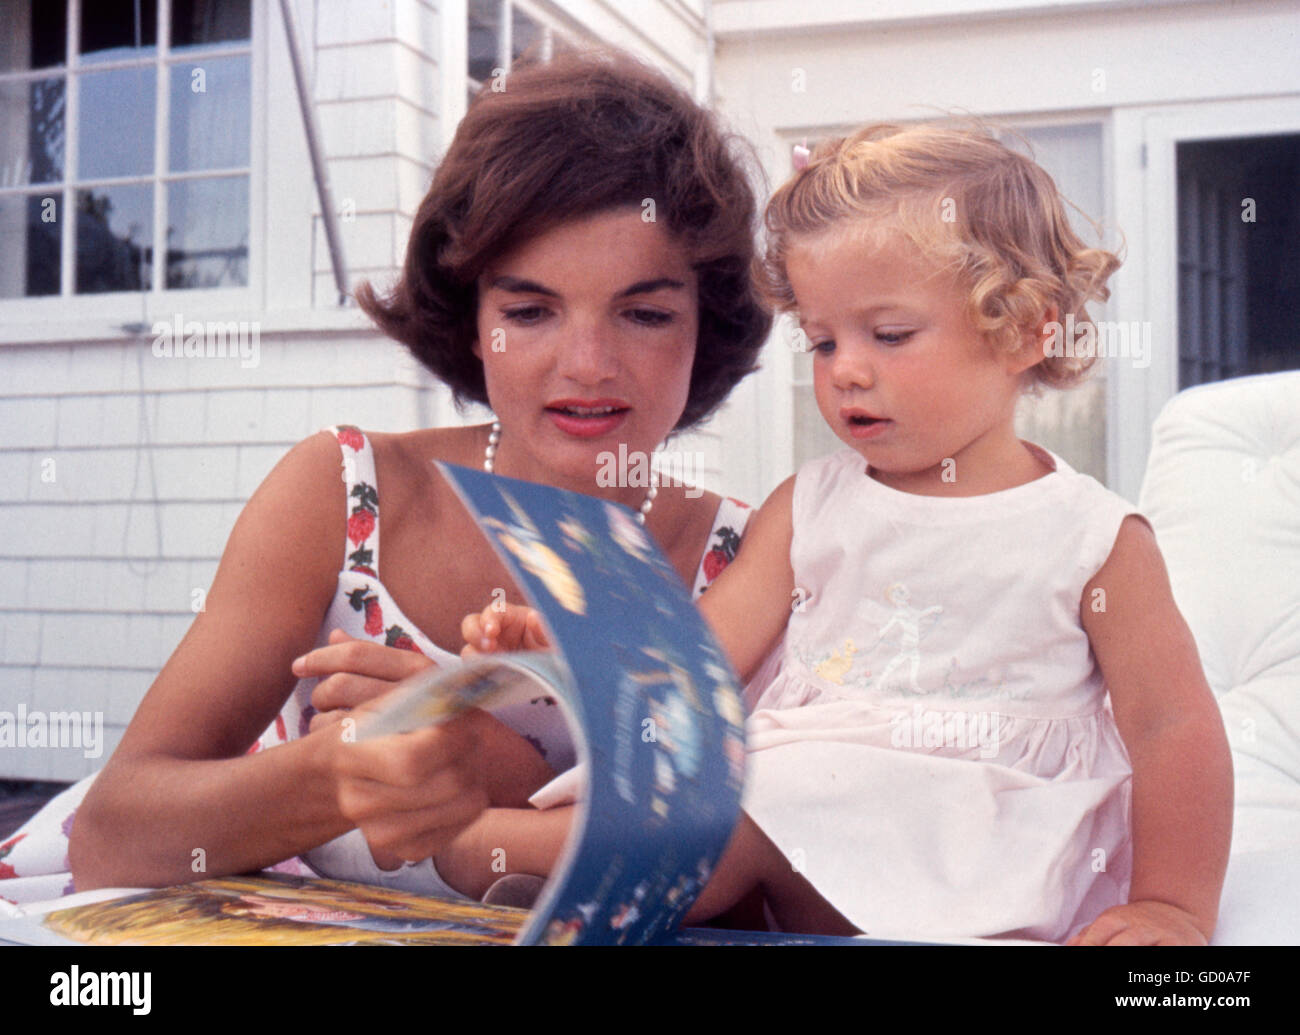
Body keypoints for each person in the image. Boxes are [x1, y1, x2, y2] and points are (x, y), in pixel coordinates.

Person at [0, 46, 772, 903]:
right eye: (529, 310)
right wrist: (345, 773)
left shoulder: (758, 564)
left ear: (711, 324)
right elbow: (115, 835)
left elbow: (764, 878)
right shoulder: (342, 491)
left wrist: (499, 769)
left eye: (645, 312)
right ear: (472, 321)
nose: (587, 363)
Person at [462, 123, 1234, 944]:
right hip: (804, 811)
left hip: (980, 846)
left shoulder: (1093, 538)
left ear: (1025, 330)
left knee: (741, 813)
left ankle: (491, 852)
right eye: (823, 341)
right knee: (702, 792)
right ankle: (536, 860)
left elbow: (1172, 726)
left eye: (889, 335)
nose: (845, 371)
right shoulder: (811, 504)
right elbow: (700, 656)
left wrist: (1170, 904)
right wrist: (574, 638)